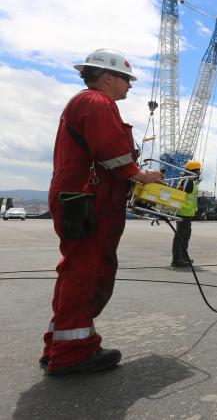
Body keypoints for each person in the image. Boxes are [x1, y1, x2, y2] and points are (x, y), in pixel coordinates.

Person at [41, 49, 163, 376]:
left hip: (81, 196)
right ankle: (72, 352)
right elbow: (110, 149)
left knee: (77, 268)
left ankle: (59, 343)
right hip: (88, 199)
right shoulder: (96, 102)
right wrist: (138, 174)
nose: (130, 87)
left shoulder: (84, 103)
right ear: (107, 77)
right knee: (88, 270)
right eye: (126, 79)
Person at [172, 160, 201, 267]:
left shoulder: (188, 181)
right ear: (194, 170)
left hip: (186, 213)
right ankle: (177, 259)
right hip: (183, 212)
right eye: (198, 171)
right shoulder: (187, 181)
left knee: (185, 236)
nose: (199, 173)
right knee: (181, 236)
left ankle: (183, 257)